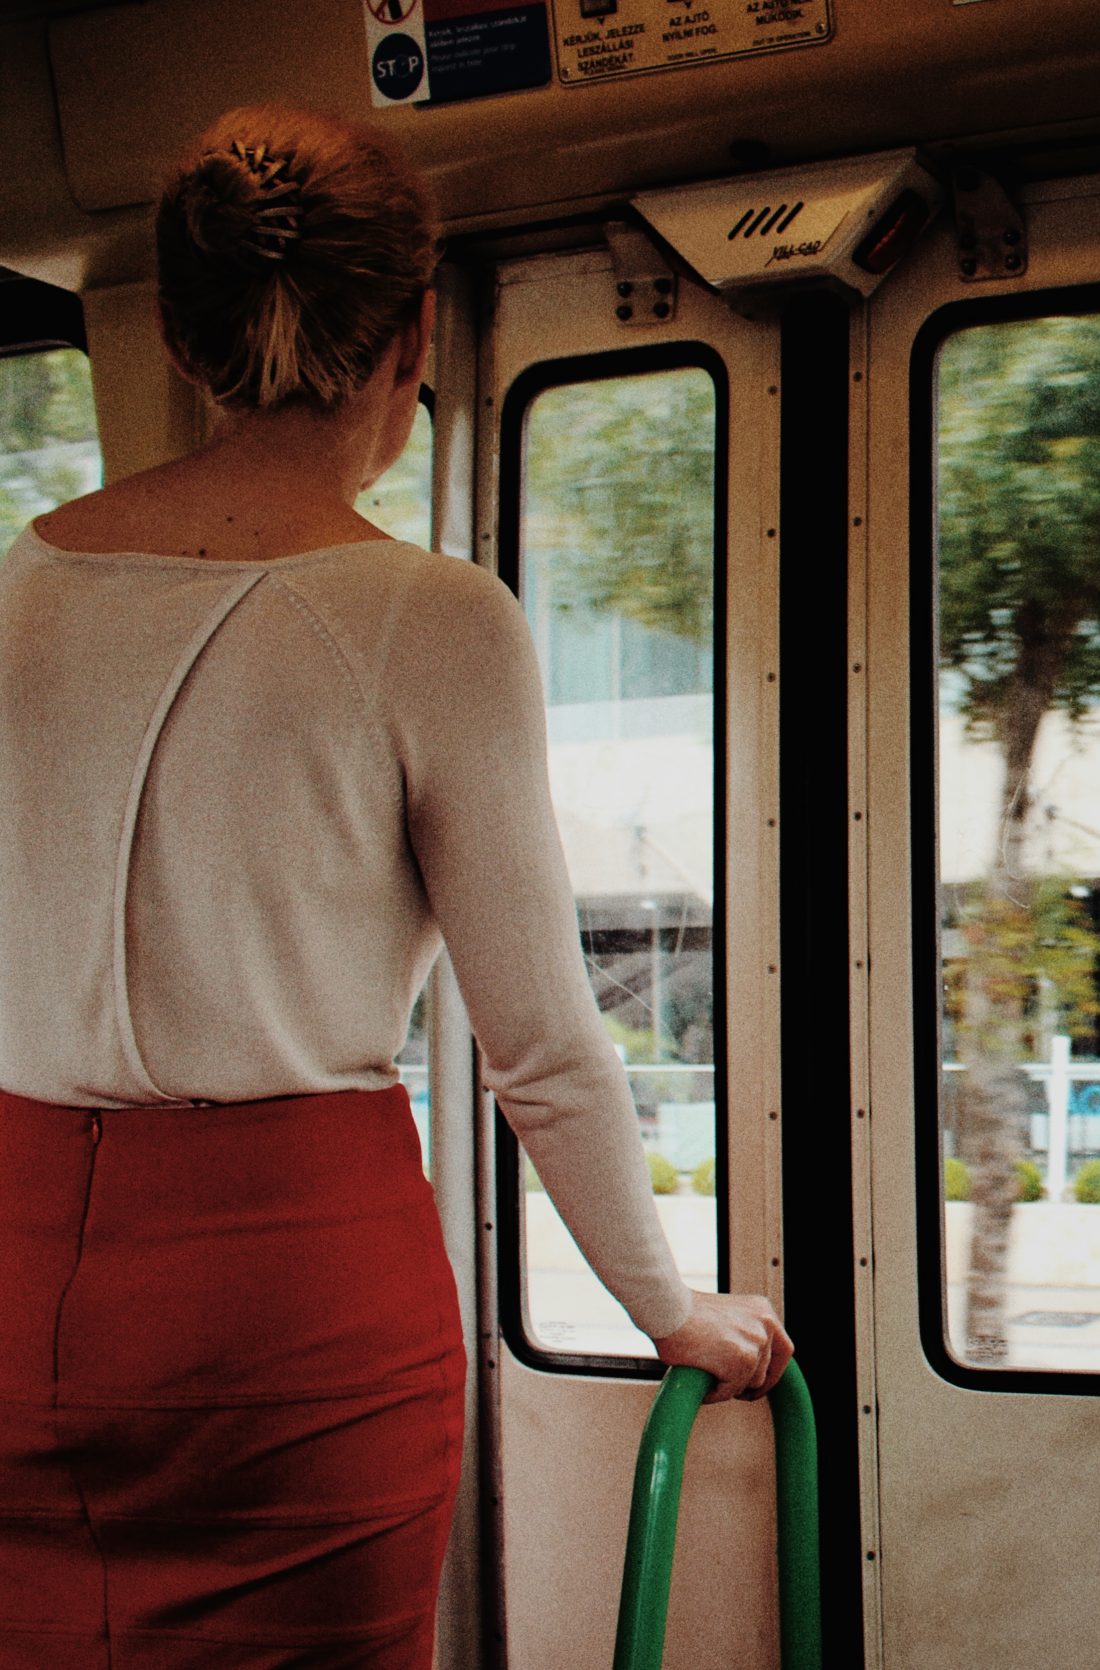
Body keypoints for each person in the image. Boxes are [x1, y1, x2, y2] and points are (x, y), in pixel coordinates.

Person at [0, 106, 790, 1668]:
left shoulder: (13, 595)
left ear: (177, 330)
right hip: (291, 1304)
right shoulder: (434, 619)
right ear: (416, 331)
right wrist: (663, 1307)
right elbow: (543, 1048)